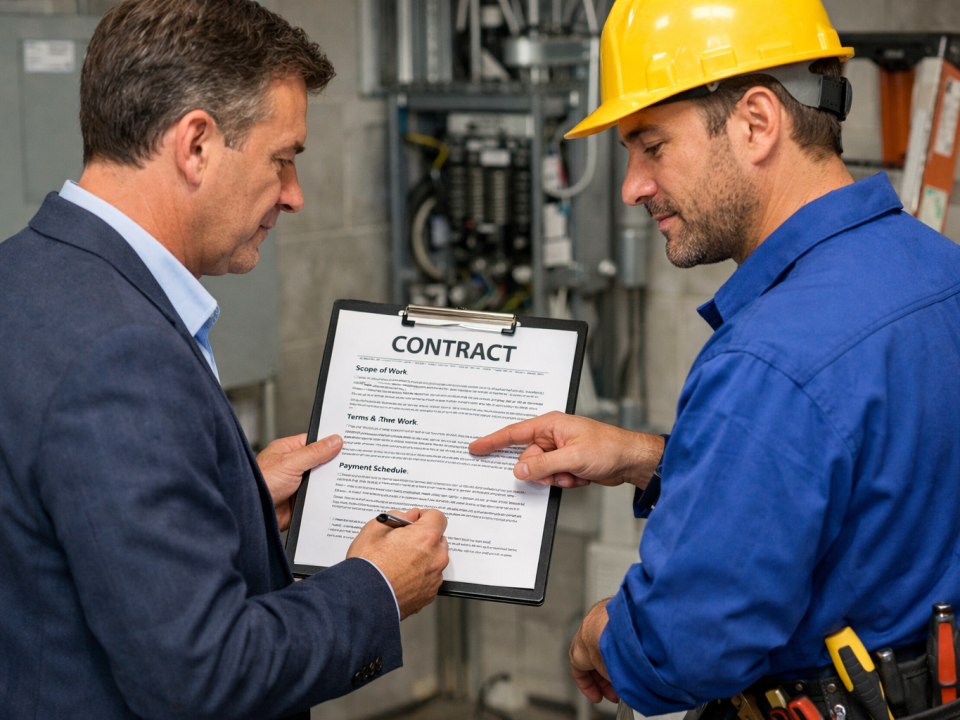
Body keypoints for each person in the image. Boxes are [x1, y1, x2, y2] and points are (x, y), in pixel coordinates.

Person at [472, 0, 960, 716]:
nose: (633, 186)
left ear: (757, 123)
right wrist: (653, 458)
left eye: (652, 146)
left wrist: (601, 635)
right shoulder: (935, 269)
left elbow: (686, 645)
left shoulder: (770, 359)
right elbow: (864, 492)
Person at [0, 1, 448, 718]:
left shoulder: (21, 277)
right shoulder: (124, 354)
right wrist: (376, 587)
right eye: (284, 160)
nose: (295, 196)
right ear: (197, 145)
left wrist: (233, 495)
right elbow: (202, 676)